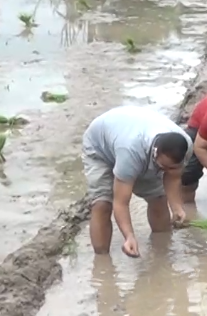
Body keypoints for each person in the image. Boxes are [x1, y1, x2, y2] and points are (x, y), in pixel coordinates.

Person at [82, 105, 192, 257]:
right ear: (155, 153)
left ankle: (162, 254)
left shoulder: (185, 146)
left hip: (128, 131)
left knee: (158, 199)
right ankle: (102, 262)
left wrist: (177, 207)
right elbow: (121, 202)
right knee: (102, 204)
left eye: (172, 167)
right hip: (99, 146)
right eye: (163, 167)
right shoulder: (131, 152)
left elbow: (173, 177)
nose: (166, 171)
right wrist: (129, 236)